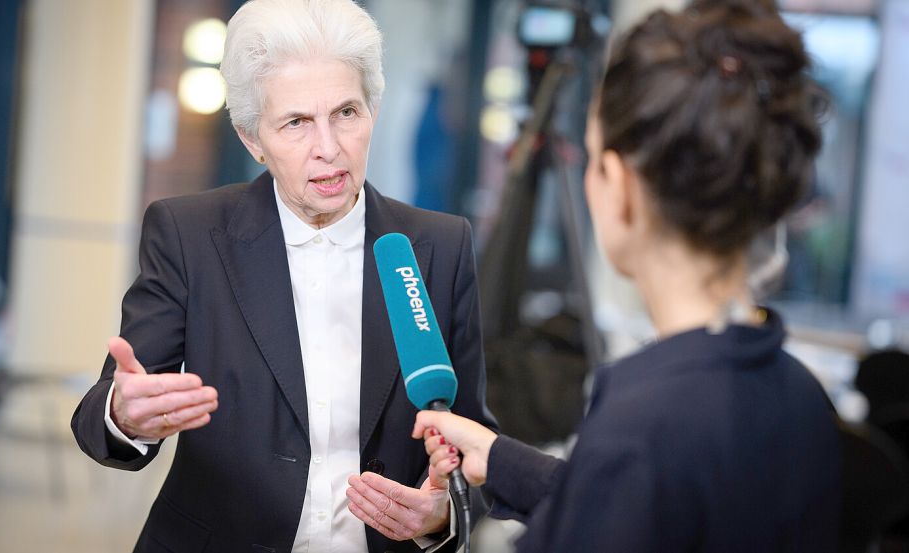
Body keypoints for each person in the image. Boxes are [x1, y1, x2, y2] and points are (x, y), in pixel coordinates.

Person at [414, 2, 840, 552]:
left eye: (593, 157)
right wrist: (501, 461)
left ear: (618, 185)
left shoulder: (642, 427)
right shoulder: (800, 396)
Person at [70, 1, 495, 551]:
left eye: (346, 112)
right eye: (296, 122)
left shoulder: (439, 246)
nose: (328, 147)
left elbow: (478, 441)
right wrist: (124, 415)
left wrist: (442, 514)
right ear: (253, 140)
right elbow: (104, 411)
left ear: (373, 112)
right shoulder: (189, 234)